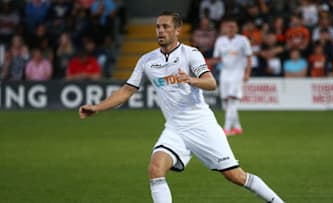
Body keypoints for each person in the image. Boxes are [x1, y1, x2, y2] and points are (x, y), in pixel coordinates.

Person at [79, 11, 285, 203]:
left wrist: (191, 80)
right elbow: (126, 91)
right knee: (155, 169)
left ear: (177, 30)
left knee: (235, 176)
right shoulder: (147, 61)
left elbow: (212, 83)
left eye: (166, 27)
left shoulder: (190, 54)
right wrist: (97, 108)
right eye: (158, 27)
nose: (160, 31)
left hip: (201, 125)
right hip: (175, 128)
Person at [212, 17, 252, 136]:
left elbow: (249, 57)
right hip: (225, 73)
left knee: (232, 99)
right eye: (229, 27)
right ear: (225, 28)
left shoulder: (243, 40)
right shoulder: (220, 41)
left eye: (233, 27)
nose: (231, 29)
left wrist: (247, 73)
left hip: (237, 72)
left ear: (237, 28)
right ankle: (238, 127)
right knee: (226, 101)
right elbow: (218, 58)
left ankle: (226, 128)